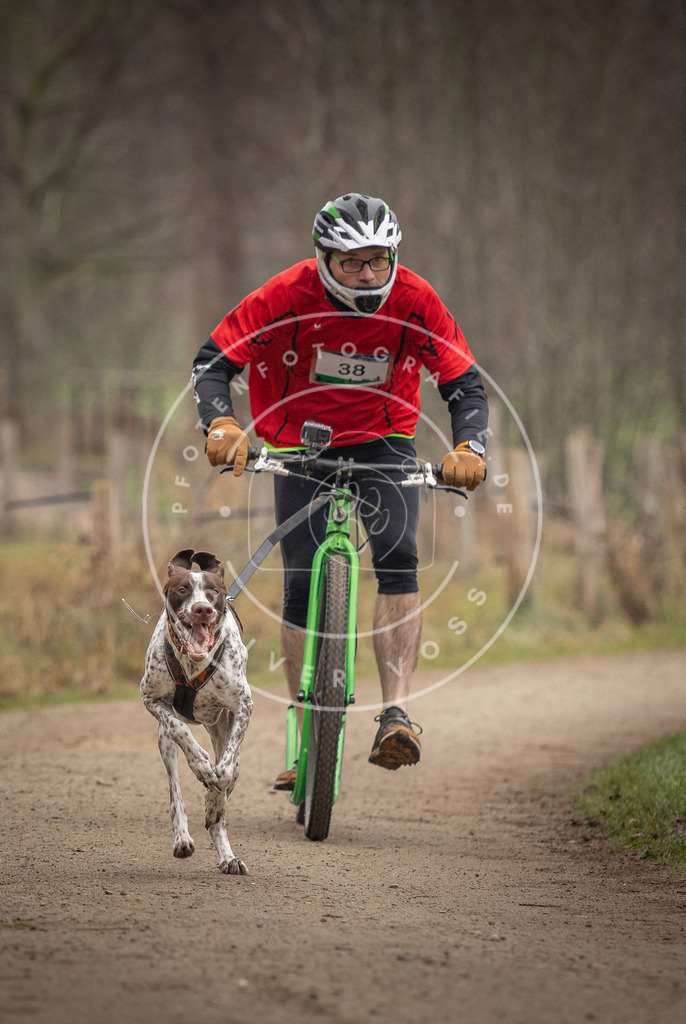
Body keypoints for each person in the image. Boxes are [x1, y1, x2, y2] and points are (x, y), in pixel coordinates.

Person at [191, 192, 488, 784]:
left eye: (378, 260)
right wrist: (221, 424)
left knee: (399, 556)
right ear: (323, 259)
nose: (368, 274)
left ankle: (397, 715)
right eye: (351, 262)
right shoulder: (284, 295)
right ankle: (305, 731)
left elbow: (464, 382)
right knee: (301, 582)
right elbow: (213, 363)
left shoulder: (416, 299)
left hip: (385, 440)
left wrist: (469, 447)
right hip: (299, 443)